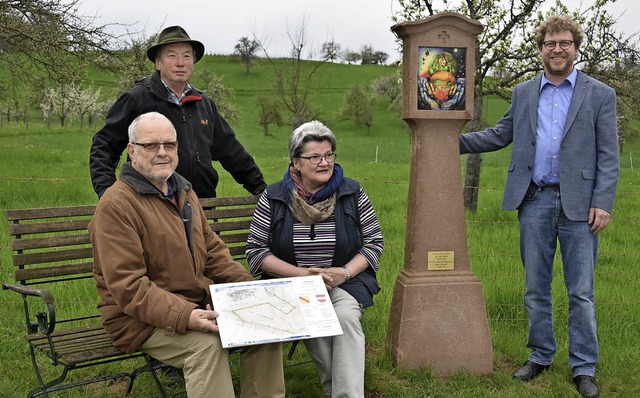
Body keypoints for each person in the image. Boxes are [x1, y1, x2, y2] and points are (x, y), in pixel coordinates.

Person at [459, 15, 619, 398]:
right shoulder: (524, 92)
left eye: (565, 43)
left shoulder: (600, 94)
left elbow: (609, 155)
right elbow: (501, 134)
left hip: (581, 205)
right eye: (551, 44)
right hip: (535, 199)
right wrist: (448, 139)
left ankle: (583, 367)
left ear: (576, 47)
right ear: (541, 49)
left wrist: (603, 201)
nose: (558, 49)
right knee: (535, 288)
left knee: (580, 291)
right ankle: (541, 355)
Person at [88, 112, 285, 398]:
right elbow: (128, 289)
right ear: (131, 151)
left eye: (169, 145)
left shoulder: (183, 191)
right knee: (207, 346)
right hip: (137, 320)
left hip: (196, 303)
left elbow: (215, 253)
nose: (162, 153)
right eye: (151, 146)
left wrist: (250, 294)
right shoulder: (116, 207)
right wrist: (187, 316)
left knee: (263, 330)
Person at [246, 120, 384, 398]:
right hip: (292, 286)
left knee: (345, 317)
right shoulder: (273, 197)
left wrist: (343, 273)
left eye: (329, 155)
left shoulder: (351, 192)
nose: (324, 162)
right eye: (314, 157)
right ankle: (339, 390)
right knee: (316, 320)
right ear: (296, 162)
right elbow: (257, 252)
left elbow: (373, 243)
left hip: (343, 283)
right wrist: (303, 276)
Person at [90, 25, 266, 200]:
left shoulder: (204, 104)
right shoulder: (138, 99)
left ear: (193, 63)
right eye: (172, 55)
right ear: (158, 63)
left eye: (187, 56)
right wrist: (108, 194)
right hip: (151, 205)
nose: (180, 62)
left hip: (202, 206)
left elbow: (231, 152)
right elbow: (104, 145)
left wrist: (260, 188)